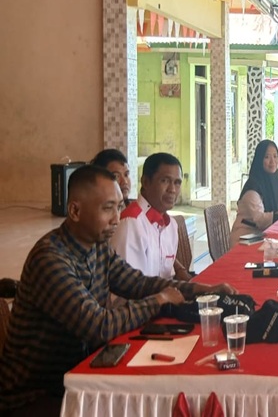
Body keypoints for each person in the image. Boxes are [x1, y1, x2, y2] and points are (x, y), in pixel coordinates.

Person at [0, 165, 235, 415]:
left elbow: (137, 283)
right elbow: (99, 326)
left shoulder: (97, 246)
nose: (116, 218)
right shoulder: (50, 259)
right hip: (37, 396)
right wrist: (158, 300)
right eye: (107, 208)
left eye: (119, 206)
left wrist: (197, 289)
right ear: (75, 211)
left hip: (83, 376)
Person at [110, 152, 191, 281]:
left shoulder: (171, 225)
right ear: (146, 182)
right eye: (164, 181)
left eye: (177, 183)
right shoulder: (130, 224)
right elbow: (129, 286)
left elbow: (167, 276)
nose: (172, 189)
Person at [229, 140, 278, 244]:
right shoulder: (253, 187)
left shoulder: (276, 182)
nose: (272, 161)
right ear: (259, 159)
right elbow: (260, 220)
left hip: (265, 236)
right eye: (267, 157)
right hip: (245, 238)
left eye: (275, 156)